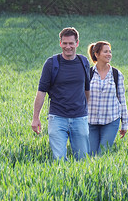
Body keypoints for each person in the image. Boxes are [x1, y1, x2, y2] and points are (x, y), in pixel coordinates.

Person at [31, 27, 90, 160]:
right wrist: (36, 118)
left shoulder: (84, 62)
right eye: (65, 43)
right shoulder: (51, 63)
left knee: (82, 159)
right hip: (57, 118)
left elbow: (87, 89)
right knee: (59, 160)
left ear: (77, 43)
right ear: (60, 43)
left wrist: (85, 111)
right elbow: (41, 92)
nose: (68, 46)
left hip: (80, 118)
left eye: (71, 43)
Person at [87, 41, 128, 155]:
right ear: (97, 54)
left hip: (111, 120)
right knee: (90, 153)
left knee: (102, 153)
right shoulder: (88, 73)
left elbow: (122, 99)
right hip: (91, 121)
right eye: (105, 52)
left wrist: (124, 123)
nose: (109, 54)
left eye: (110, 52)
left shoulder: (116, 74)